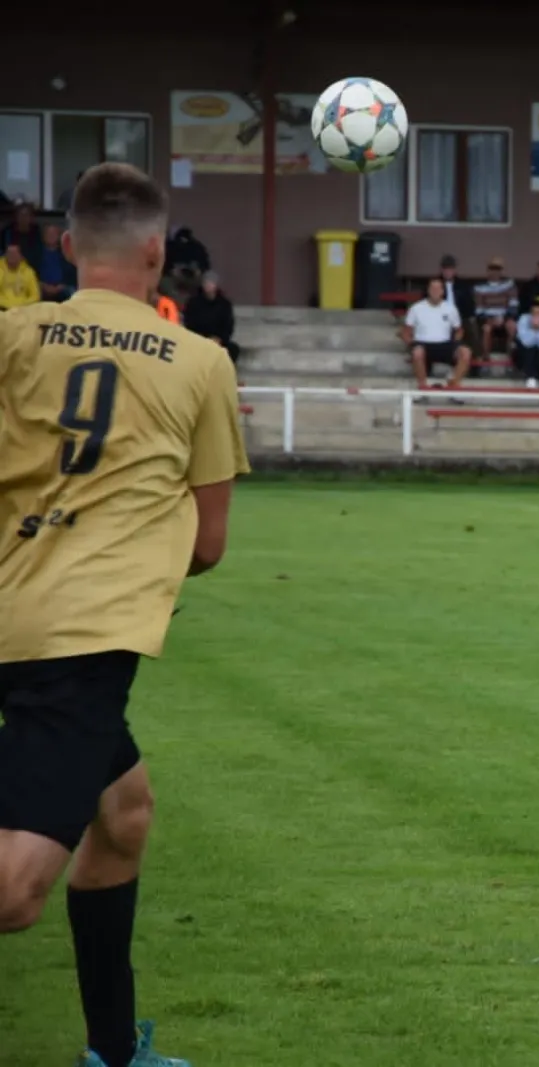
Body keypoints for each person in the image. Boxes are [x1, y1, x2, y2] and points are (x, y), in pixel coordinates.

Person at [0, 161, 250, 1067]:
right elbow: (209, 544)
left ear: (65, 246)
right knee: (15, 891)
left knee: (123, 813)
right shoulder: (201, 360)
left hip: (14, 603)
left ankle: (110, 1051)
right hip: (82, 635)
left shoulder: (12, 334)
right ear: (157, 253)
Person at [402, 278, 472, 390]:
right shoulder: (416, 308)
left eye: (438, 288)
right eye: (433, 288)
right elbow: (406, 332)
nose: (435, 291)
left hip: (445, 344)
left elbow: (459, 330)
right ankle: (423, 386)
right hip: (422, 343)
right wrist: (411, 344)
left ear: (442, 291)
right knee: (417, 352)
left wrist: (456, 342)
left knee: (465, 352)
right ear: (428, 290)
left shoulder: (450, 308)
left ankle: (454, 383)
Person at [183, 271, 239, 363]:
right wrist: (202, 338)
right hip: (198, 340)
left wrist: (219, 339)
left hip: (218, 340)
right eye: (206, 282)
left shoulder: (224, 304)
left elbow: (228, 325)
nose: (208, 285)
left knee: (233, 349)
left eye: (211, 282)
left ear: (216, 285)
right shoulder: (193, 302)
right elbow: (188, 323)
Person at [473, 257, 519, 357]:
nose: (495, 272)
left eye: (498, 269)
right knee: (486, 329)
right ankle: (486, 358)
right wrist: (490, 319)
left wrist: (504, 318)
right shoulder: (479, 287)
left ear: (502, 271)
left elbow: (513, 306)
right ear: (488, 271)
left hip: (505, 317)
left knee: (512, 326)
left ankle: (510, 357)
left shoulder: (510, 285)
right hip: (488, 319)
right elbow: (479, 310)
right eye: (492, 269)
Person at [37, 224, 78, 302]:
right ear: (44, 236)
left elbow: (72, 273)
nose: (51, 236)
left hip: (62, 287)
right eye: (49, 234)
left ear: (59, 236)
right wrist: (42, 285)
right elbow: (32, 273)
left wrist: (61, 285)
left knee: (73, 292)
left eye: (53, 234)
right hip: (41, 286)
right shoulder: (37, 253)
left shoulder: (66, 253)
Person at [2, 202, 46, 270]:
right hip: (10, 270)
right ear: (16, 217)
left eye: (26, 215)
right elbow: (3, 253)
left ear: (31, 218)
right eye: (21, 215)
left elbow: (39, 256)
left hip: (31, 270)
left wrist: (24, 261)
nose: (23, 218)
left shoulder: (37, 234)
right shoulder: (7, 233)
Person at [0, 242, 41, 310]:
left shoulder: (29, 271)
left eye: (15, 253)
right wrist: (8, 305)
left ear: (21, 256)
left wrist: (22, 305)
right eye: (10, 253)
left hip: (24, 309)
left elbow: (35, 295)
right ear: (5, 254)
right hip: (2, 309)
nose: (12, 256)